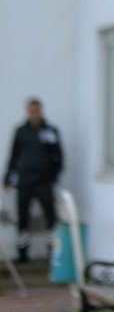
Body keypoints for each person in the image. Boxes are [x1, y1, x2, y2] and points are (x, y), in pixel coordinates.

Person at [4, 98, 63, 263]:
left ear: (41, 111)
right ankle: (23, 253)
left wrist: (53, 176)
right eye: (31, 111)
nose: (34, 114)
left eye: (36, 111)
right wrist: (8, 178)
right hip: (25, 181)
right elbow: (14, 155)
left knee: (50, 217)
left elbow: (58, 156)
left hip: (44, 181)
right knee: (23, 218)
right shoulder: (21, 131)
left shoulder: (50, 130)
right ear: (27, 112)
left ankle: (52, 251)